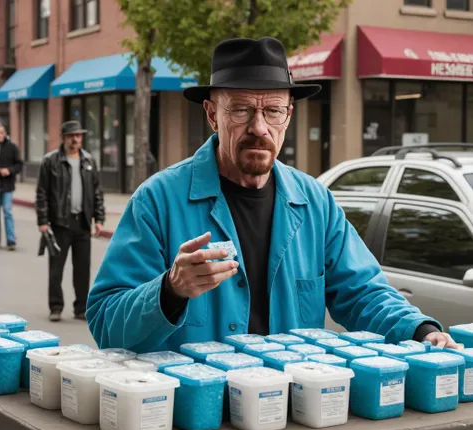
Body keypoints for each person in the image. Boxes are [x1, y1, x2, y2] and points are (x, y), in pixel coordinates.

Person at [86, 37, 457, 352]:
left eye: (273, 111)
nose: (259, 127)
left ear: (289, 115)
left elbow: (364, 293)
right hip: (196, 417)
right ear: (213, 115)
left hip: (291, 413)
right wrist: (169, 290)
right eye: (243, 110)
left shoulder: (315, 203)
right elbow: (105, 322)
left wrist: (421, 331)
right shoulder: (158, 201)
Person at [36, 121, 105, 322]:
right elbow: (42, 192)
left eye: (79, 135)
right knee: (56, 268)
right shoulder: (51, 161)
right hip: (60, 223)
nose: (76, 139)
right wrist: (42, 220)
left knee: (82, 269)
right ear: (64, 138)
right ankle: (56, 307)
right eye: (71, 136)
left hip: (82, 223)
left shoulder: (89, 160)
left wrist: (99, 218)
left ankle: (81, 308)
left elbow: (97, 192)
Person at [0, 123, 23, 251]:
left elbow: (19, 165)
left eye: (1, 133)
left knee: (7, 212)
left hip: (7, 185)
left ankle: (11, 240)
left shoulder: (12, 147)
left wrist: (9, 170)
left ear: (5, 133)